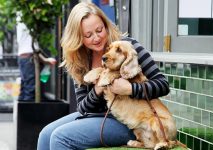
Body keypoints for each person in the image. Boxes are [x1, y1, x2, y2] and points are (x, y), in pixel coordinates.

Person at [37, 2, 170, 150]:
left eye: (99, 30)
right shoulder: (80, 60)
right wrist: (97, 90)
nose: (96, 38)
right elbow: (82, 108)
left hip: (131, 122)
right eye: (88, 35)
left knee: (60, 137)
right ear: (79, 38)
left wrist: (131, 89)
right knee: (45, 134)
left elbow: (163, 85)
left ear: (106, 25)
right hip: (94, 117)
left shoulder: (127, 47)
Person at [16, 15, 56, 101]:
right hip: (28, 59)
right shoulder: (27, 20)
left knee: (25, 91)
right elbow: (32, 49)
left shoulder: (22, 18)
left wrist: (45, 60)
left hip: (24, 58)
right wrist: (45, 60)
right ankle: (27, 114)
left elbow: (33, 48)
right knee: (30, 91)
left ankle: (21, 113)